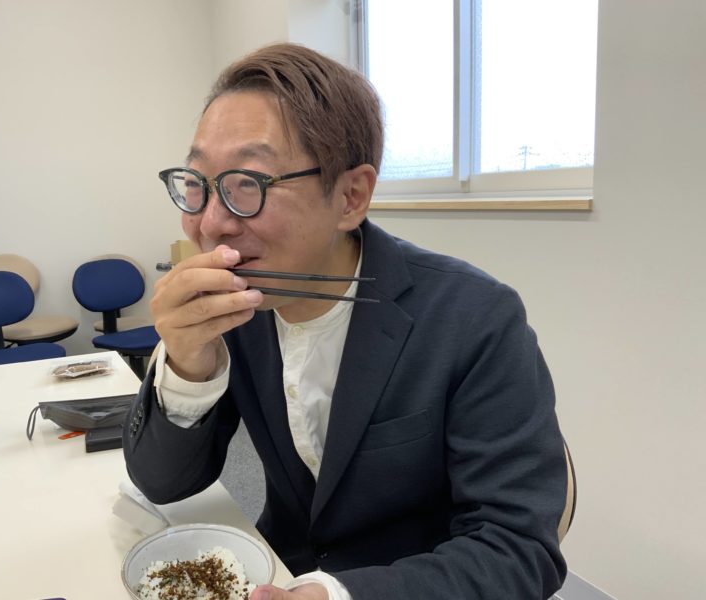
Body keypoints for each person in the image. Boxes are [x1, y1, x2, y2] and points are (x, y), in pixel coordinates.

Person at [123, 43, 568, 600]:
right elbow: (165, 483)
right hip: (275, 573)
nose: (210, 224)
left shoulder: (474, 319)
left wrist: (338, 596)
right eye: (197, 183)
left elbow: (519, 550)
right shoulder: (238, 307)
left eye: (248, 183)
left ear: (351, 197)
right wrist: (188, 365)